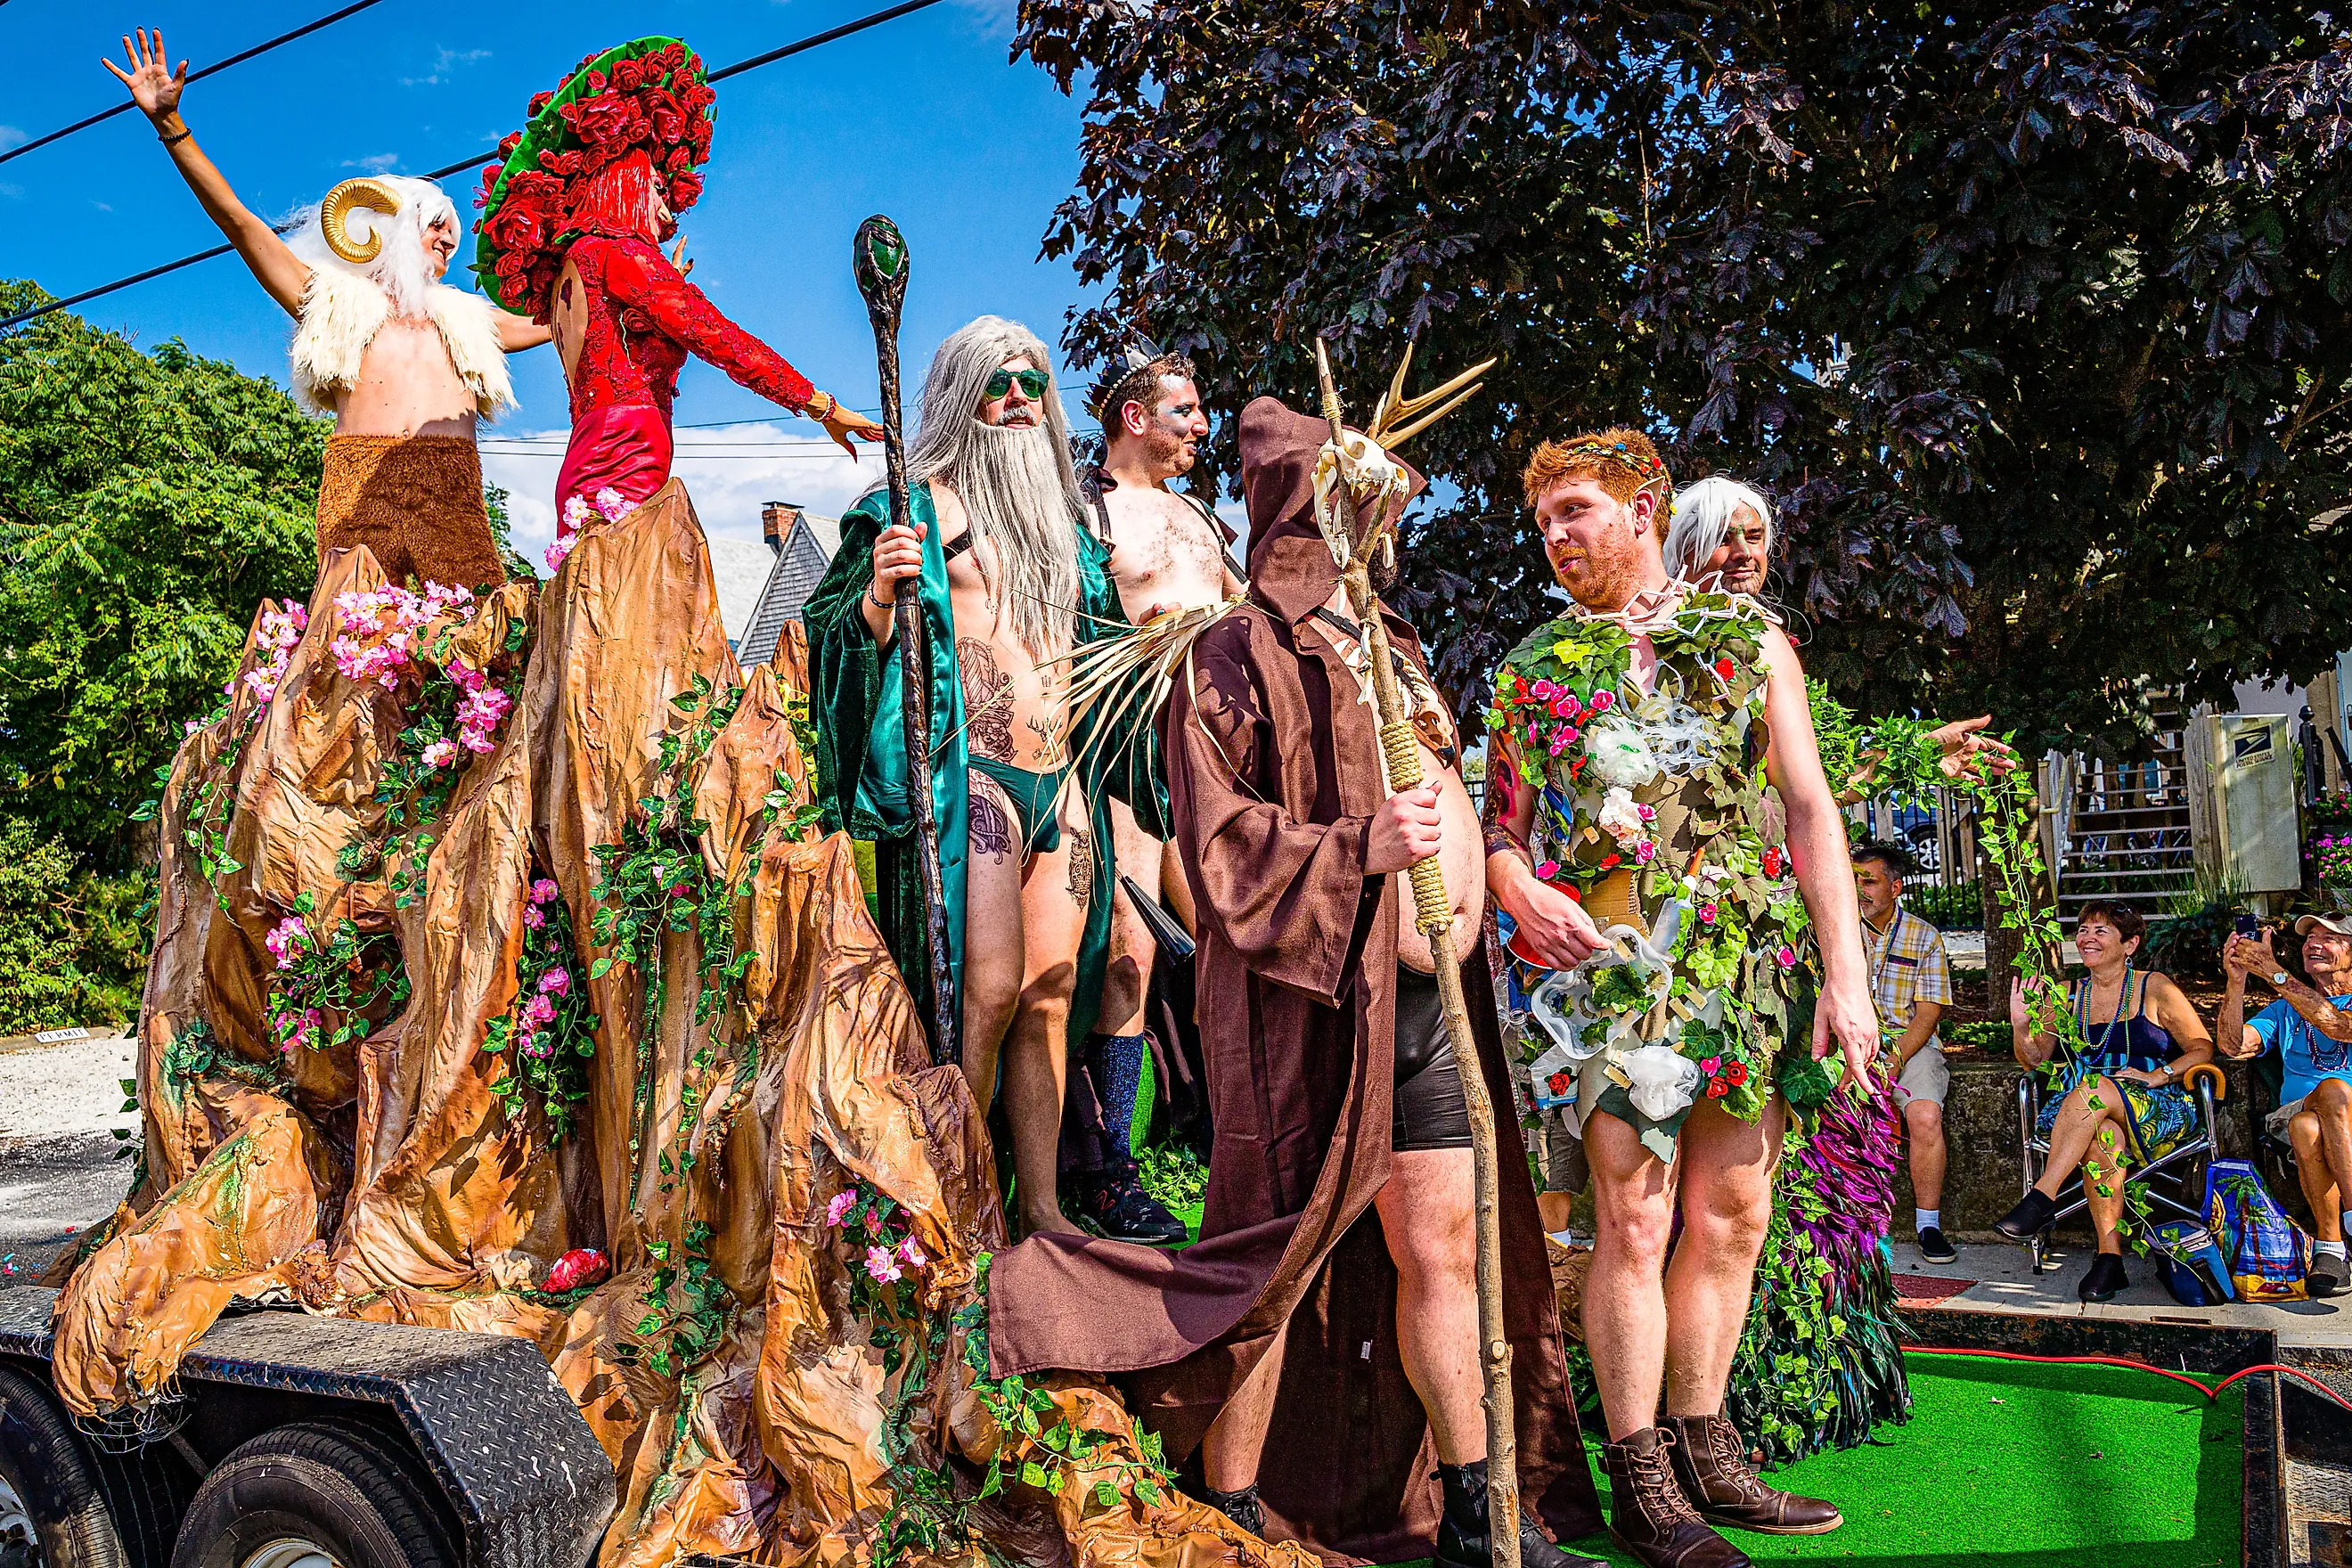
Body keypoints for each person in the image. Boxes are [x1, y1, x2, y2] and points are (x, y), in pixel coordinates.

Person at [987, 396, 1602, 1568]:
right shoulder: (1227, 656)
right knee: (1278, 1260)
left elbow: (1449, 797)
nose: (1380, 532)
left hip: (1427, 1008)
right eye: (1358, 510)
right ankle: (1227, 1514)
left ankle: (1480, 1518)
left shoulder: (1396, 648)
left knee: (1441, 1252)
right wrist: (1361, 850)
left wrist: (1482, 898)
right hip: (1303, 1009)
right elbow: (1219, 854)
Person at [1488, 429, 1876, 1568]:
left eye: (1575, 511)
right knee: (1636, 1218)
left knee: (1732, 1216)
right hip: (1612, 978)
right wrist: (1517, 890)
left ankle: (1710, 1452)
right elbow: (1499, 831)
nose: (1557, 538)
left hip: (1746, 964)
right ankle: (1644, 1482)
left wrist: (1845, 976)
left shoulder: (1751, 639)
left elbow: (1809, 810)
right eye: (1545, 521)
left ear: (1645, 503)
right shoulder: (1532, 666)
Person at [806, 316, 1144, 1240]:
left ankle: (1042, 1208)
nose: (1018, 404)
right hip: (980, 777)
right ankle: (960, 1201)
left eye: (1033, 385)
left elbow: (1109, 657)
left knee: (1051, 990)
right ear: (962, 395)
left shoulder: (1070, 532)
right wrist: (881, 592)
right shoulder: (917, 509)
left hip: (1060, 779)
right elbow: (833, 638)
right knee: (984, 993)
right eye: (999, 384)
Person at [106, 26, 547, 589]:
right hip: (357, 476)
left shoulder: (468, 319)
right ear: (393, 229)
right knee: (350, 644)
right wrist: (170, 125)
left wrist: (630, 277)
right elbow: (240, 223)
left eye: (452, 235)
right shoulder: (335, 302)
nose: (447, 242)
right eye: (436, 227)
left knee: (479, 636)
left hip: (454, 483)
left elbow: (562, 318)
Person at [472, 37, 877, 558]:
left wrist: (662, 281)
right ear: (627, 181)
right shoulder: (618, 252)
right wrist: (822, 406)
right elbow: (719, 338)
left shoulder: (572, 276)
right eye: (659, 188)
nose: (670, 207)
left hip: (591, 451)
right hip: (627, 449)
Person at [1055, 343, 1240, 1244]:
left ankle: (1230, 1138)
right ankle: (1107, 1171)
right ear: (1136, 418)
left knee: (1228, 942)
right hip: (1122, 751)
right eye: (1186, 411)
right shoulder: (1083, 513)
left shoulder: (1204, 515)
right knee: (1126, 952)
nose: (1202, 426)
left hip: (1209, 758)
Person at [1994, 901, 2216, 1302]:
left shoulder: (2155, 987)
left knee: (2096, 1091)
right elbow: (2034, 1059)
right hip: (2077, 1115)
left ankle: (2042, 1196)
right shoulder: (2066, 994)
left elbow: (2202, 1047)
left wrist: (2158, 1074)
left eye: (2101, 931)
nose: (2087, 938)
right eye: (2083, 929)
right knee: (2102, 1138)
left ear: (2130, 944)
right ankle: (2109, 1260)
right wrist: (2021, 1025)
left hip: (2153, 1103)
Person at [2218, 915, 2352, 1298]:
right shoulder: (2283, 1010)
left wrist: (2275, 973)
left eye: (2330, 938)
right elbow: (2232, 1045)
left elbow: (2337, 1026)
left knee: (2319, 1112)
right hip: (2291, 1112)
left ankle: (2332, 1249)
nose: (2315, 944)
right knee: (2320, 1105)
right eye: (2311, 937)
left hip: (2337, 1117)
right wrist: (2237, 980)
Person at [1851, 843, 1960, 1263]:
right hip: (1852, 1045)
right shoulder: (1838, 930)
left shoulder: (1924, 935)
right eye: (1855, 880)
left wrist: (1894, 1058)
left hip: (1911, 1045)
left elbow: (1929, 1014)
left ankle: (1928, 1224)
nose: (1860, 889)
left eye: (1869, 881)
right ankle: (1850, 1226)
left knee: (1925, 1116)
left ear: (1895, 887)